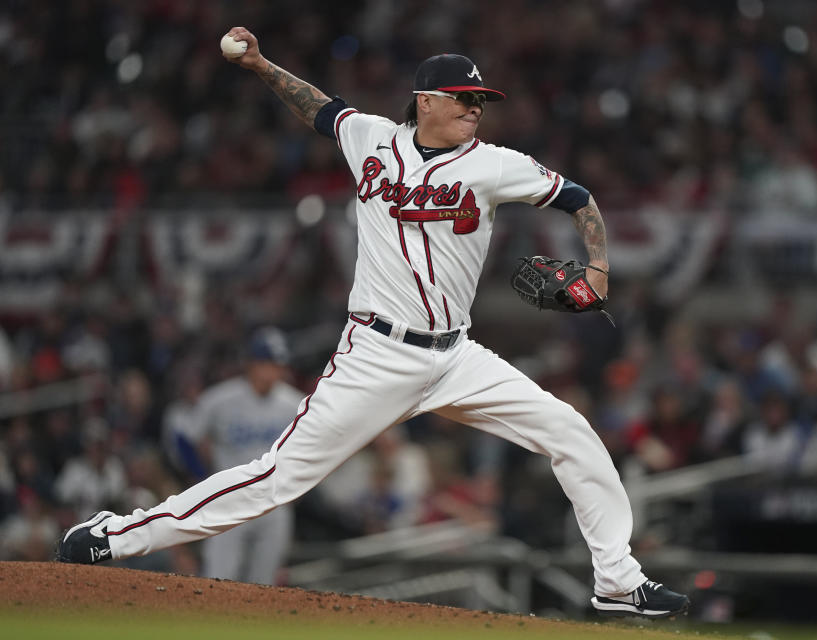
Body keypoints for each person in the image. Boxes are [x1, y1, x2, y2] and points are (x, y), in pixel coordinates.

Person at [56, 27, 690, 619]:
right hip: (376, 355)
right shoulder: (372, 138)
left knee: (569, 431)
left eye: (481, 100)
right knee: (277, 478)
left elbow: (577, 197)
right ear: (425, 101)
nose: (476, 108)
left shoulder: (493, 163)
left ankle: (617, 582)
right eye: (464, 98)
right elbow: (316, 106)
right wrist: (256, 64)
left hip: (456, 358)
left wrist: (599, 268)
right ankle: (117, 536)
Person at [183, 326, 302, 585]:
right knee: (218, 577)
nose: (273, 370)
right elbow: (187, 438)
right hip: (230, 498)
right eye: (266, 363)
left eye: (277, 364)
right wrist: (202, 478)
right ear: (251, 364)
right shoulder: (220, 399)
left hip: (274, 501)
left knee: (263, 582)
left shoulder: (294, 404)